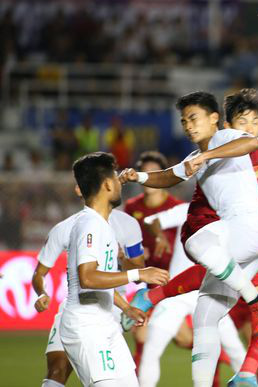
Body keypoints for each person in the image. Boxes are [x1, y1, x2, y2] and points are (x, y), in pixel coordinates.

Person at [118, 91, 258, 387]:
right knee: (205, 318)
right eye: (183, 121)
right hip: (245, 241)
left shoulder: (224, 138)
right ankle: (238, 378)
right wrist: (137, 177)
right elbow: (168, 176)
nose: (188, 126)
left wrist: (207, 156)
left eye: (194, 118)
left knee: (195, 242)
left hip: (247, 227)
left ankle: (257, 302)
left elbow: (252, 142)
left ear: (215, 118)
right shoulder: (195, 157)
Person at [59, 152, 169, 386]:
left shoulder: (102, 224)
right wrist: (139, 273)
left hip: (106, 322)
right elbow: (87, 278)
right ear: (108, 184)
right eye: (116, 178)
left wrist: (127, 308)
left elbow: (102, 279)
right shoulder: (90, 226)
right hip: (87, 327)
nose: (121, 182)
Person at [33, 186, 146, 387]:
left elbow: (138, 273)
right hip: (76, 310)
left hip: (109, 311)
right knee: (57, 369)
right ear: (79, 189)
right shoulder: (65, 228)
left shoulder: (127, 224)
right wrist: (41, 293)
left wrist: (121, 262)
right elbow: (39, 273)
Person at [136, 202, 246, 387]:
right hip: (177, 293)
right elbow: (152, 221)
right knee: (152, 348)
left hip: (211, 294)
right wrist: (159, 236)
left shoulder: (234, 216)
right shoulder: (190, 209)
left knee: (236, 350)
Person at [124, 151, 184, 366]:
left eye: (153, 172)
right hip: (147, 283)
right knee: (141, 336)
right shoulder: (132, 207)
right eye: (144, 172)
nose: (148, 177)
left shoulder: (177, 208)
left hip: (174, 283)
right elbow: (123, 242)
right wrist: (136, 255)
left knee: (186, 339)